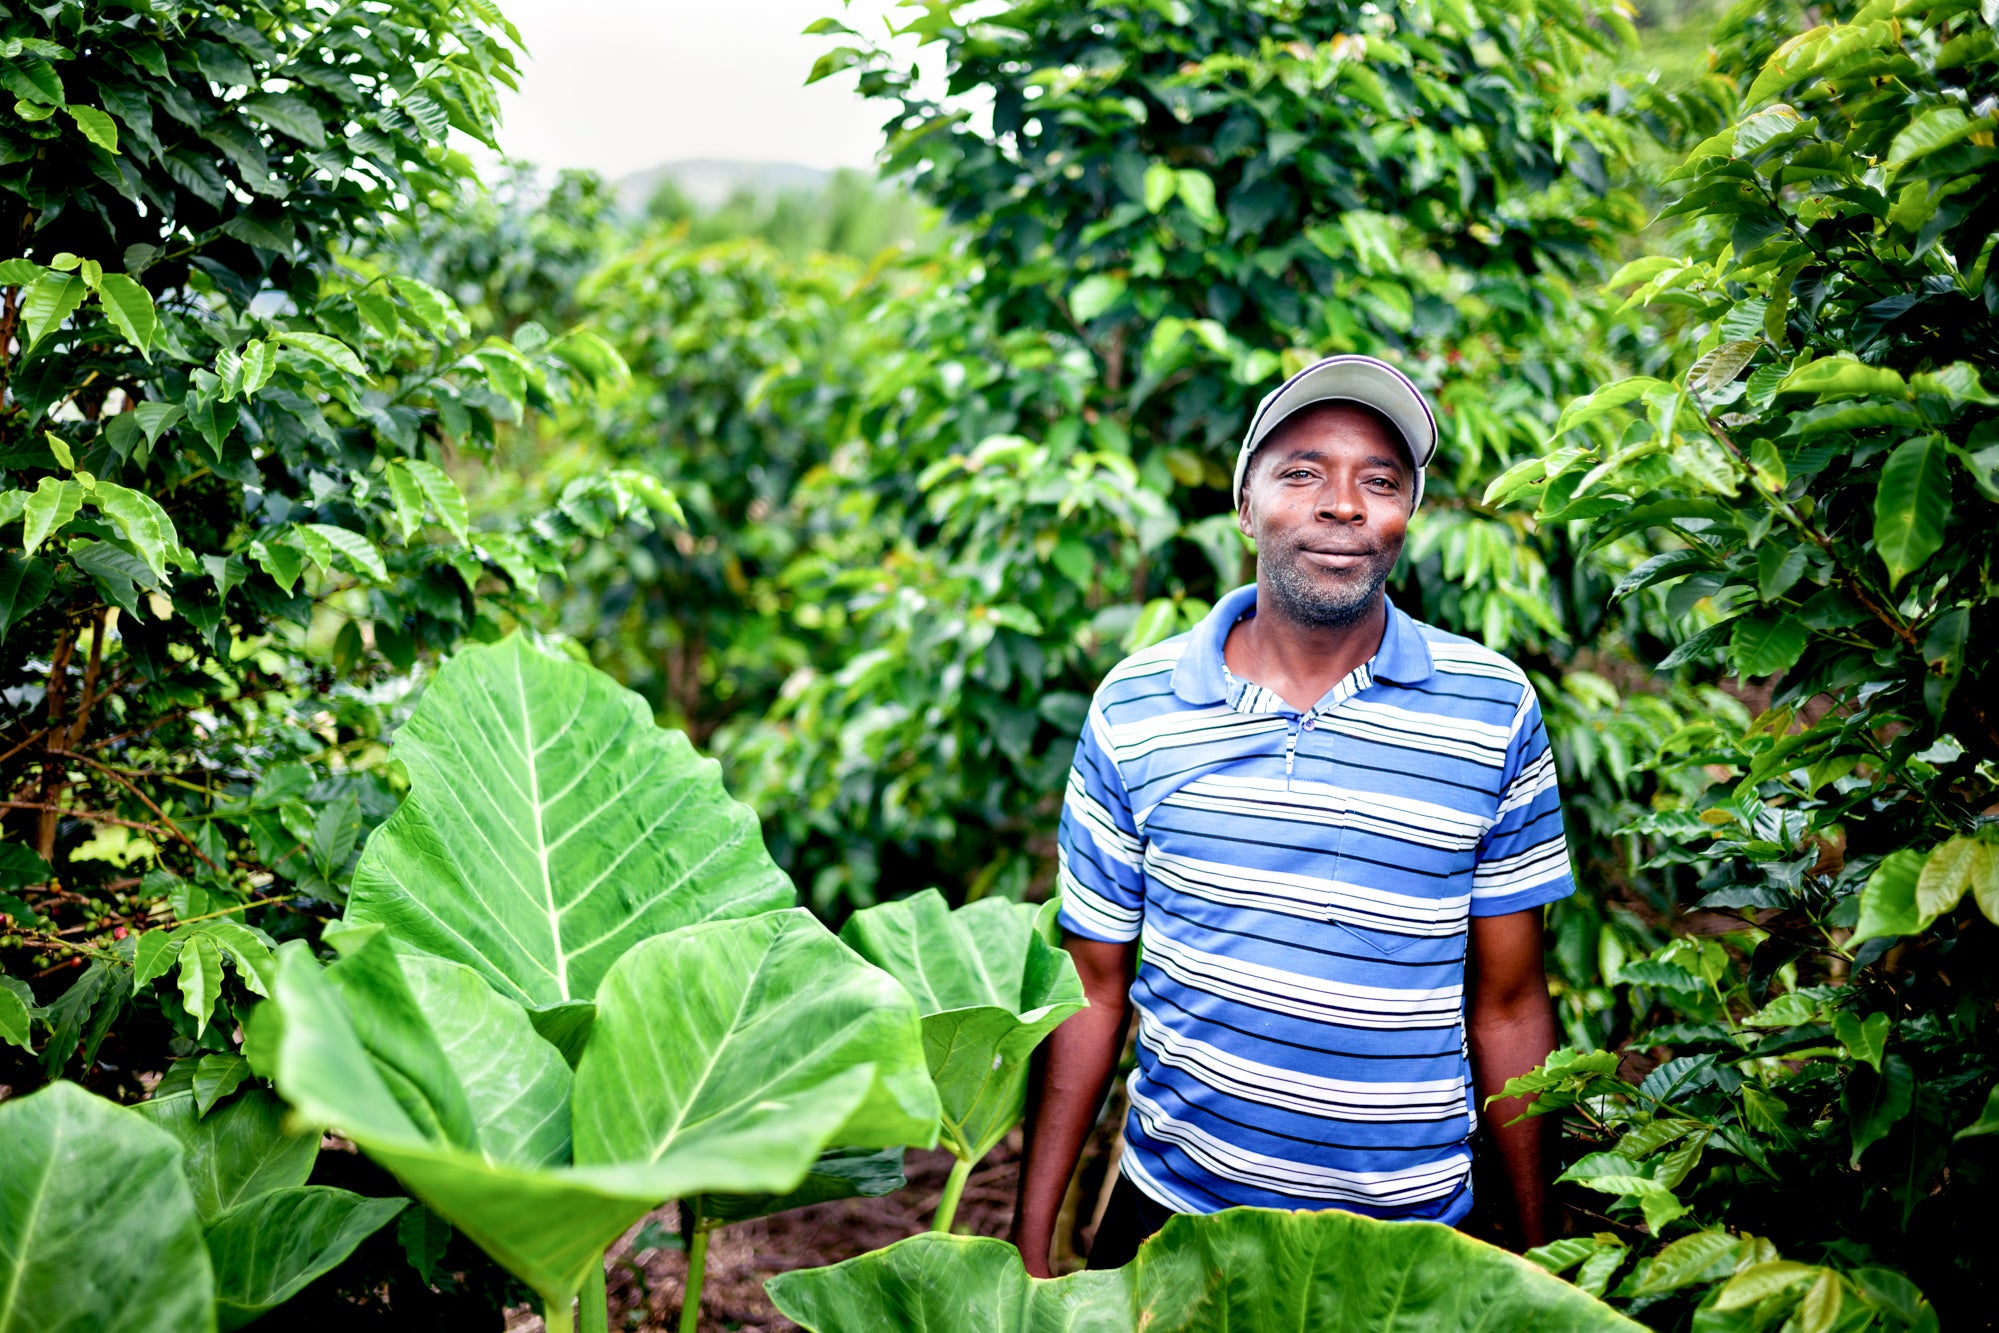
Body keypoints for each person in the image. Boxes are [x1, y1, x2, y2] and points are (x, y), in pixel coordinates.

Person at [1011, 354, 1573, 1275]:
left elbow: (1508, 1003)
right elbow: (1093, 988)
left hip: (1411, 1234)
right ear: (1245, 506)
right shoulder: (1135, 707)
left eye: (1379, 481)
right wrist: (1029, 1250)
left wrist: (1542, 1257)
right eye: (1301, 471)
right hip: (1177, 1221)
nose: (1343, 504)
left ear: (1404, 517)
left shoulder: (1490, 708)